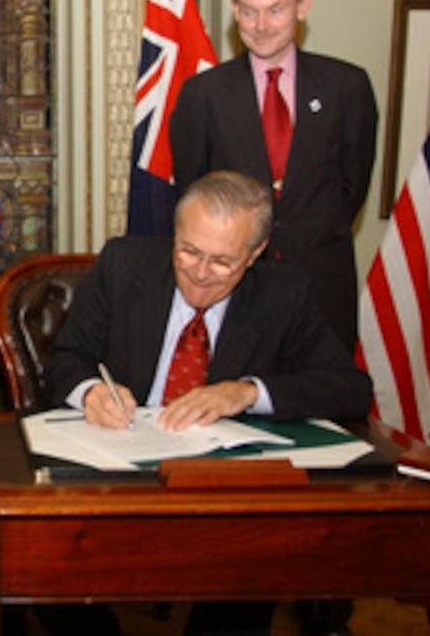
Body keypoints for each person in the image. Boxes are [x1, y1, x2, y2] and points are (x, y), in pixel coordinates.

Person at [45, 170, 371, 635]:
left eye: (222, 261)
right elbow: (65, 361)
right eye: (189, 251)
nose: (200, 272)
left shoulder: (286, 294)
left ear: (255, 253)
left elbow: (350, 388)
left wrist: (247, 391)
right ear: (174, 234)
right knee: (46, 564)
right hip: (117, 482)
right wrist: (90, 392)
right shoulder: (123, 265)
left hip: (226, 495)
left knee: (250, 572)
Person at [170, 0, 378, 355]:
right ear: (235, 10)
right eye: (249, 12)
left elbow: (351, 190)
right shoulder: (203, 95)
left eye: (274, 10)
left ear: (303, 6)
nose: (260, 25)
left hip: (321, 282)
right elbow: (192, 192)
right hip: (234, 284)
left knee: (323, 403)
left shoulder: (347, 87)